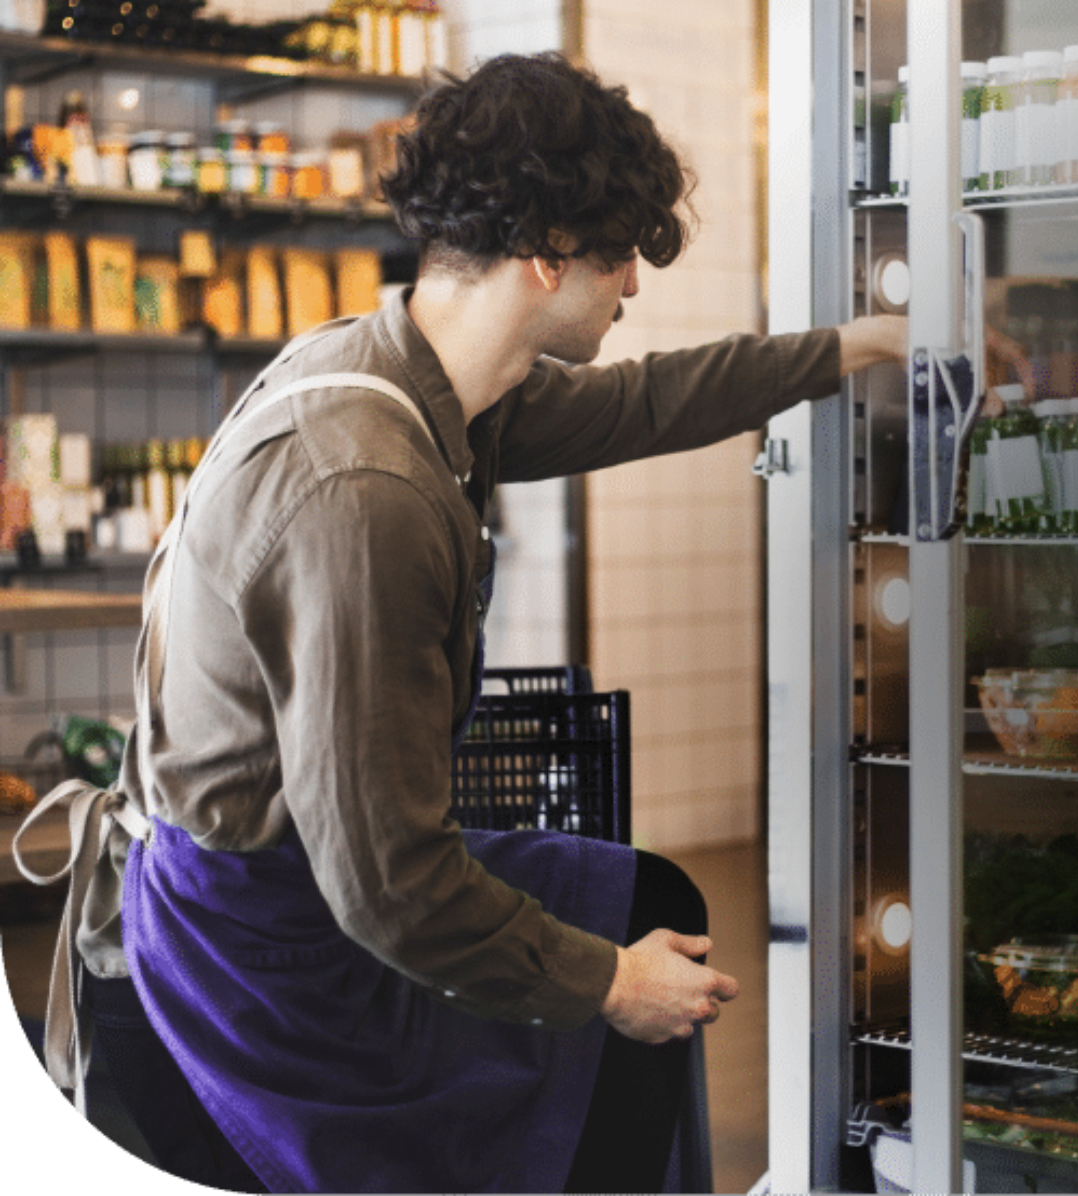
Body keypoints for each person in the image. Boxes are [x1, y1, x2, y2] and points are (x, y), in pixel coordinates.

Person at [20, 51, 913, 1194]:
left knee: (656, 903)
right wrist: (604, 982)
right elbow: (388, 884)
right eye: (618, 255)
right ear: (545, 257)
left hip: (306, 876)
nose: (632, 285)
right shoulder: (367, 492)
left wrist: (847, 350)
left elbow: (642, 400)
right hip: (258, 950)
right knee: (612, 1016)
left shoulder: (408, 371)